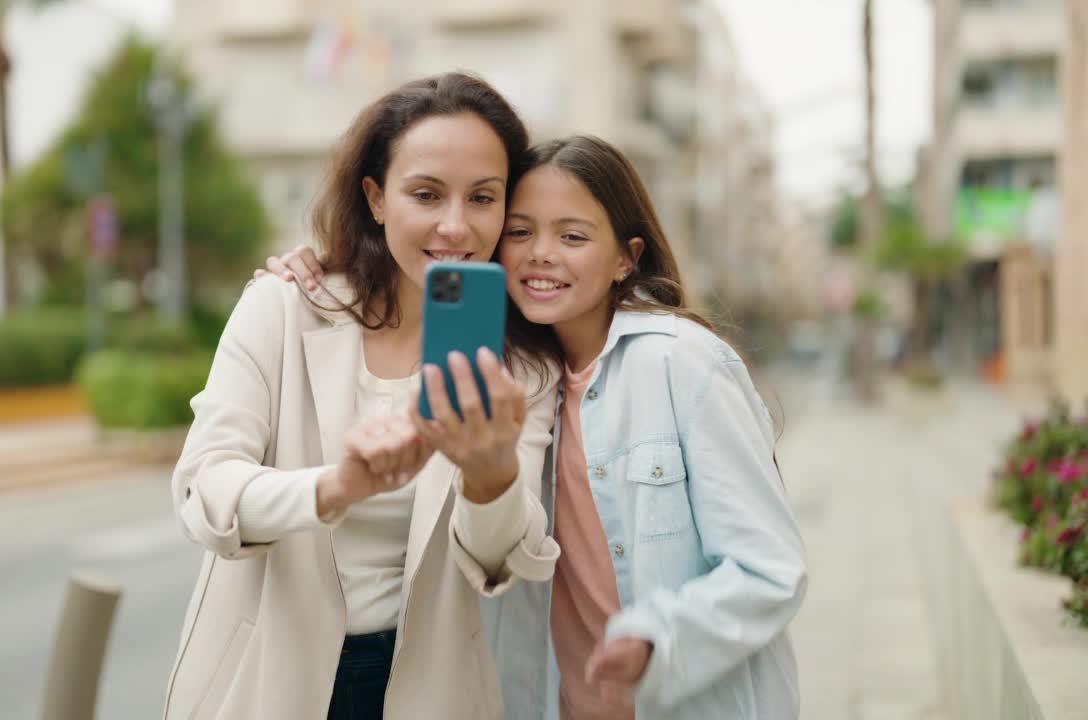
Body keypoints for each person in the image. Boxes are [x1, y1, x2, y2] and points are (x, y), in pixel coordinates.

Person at [263, 135, 808, 719]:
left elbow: (769, 570)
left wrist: (657, 639)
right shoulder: (511, 379)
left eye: (572, 236)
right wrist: (334, 268)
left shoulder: (683, 362)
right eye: (520, 233)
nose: (540, 254)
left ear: (626, 257)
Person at [163, 72, 561, 720]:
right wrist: (335, 487)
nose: (455, 226)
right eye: (426, 194)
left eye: (483, 197)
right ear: (376, 198)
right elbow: (204, 491)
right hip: (265, 681)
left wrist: (491, 475)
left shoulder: (522, 368)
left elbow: (502, 560)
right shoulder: (285, 306)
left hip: (428, 689)